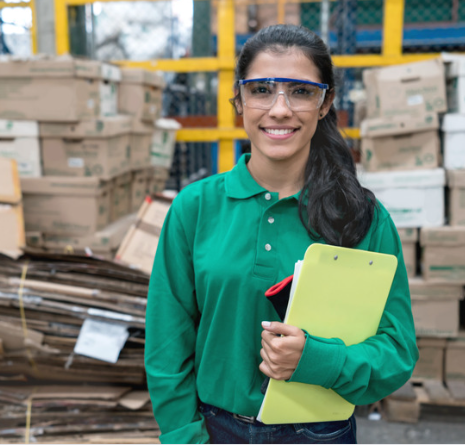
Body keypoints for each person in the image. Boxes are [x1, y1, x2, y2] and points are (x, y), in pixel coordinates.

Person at [144, 24, 418, 444]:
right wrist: (184, 436)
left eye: (301, 92)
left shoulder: (361, 217)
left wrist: (318, 360)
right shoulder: (195, 209)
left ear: (325, 103)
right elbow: (167, 343)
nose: (280, 109)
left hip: (322, 433)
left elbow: (397, 352)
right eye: (262, 90)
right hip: (215, 431)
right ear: (239, 99)